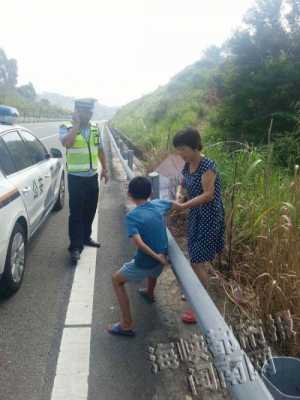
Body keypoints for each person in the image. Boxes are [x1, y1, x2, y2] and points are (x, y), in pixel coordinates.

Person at [108, 176, 178, 337]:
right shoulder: (159, 204)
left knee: (116, 280)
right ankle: (149, 292)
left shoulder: (132, 217)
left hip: (146, 263)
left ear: (129, 194)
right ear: (151, 192)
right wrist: (181, 199)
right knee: (153, 269)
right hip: (159, 263)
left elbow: (139, 244)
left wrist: (157, 257)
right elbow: (177, 205)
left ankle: (127, 324)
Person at [173, 127, 225, 324]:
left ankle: (201, 306)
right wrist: (179, 193)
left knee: (196, 260)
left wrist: (183, 205)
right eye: (178, 150)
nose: (181, 153)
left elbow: (208, 194)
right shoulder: (188, 164)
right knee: (195, 254)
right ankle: (197, 290)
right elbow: (183, 182)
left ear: (195, 147)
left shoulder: (207, 165)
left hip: (209, 216)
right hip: (196, 214)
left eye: (183, 149)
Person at [59, 98, 109, 266]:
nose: (88, 114)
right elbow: (67, 143)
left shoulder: (95, 129)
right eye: (84, 111)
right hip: (76, 178)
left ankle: (86, 237)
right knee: (76, 213)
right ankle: (74, 247)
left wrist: (106, 169)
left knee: (90, 209)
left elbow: (100, 149)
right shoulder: (66, 127)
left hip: (92, 177)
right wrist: (76, 126)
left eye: (90, 111)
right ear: (77, 111)